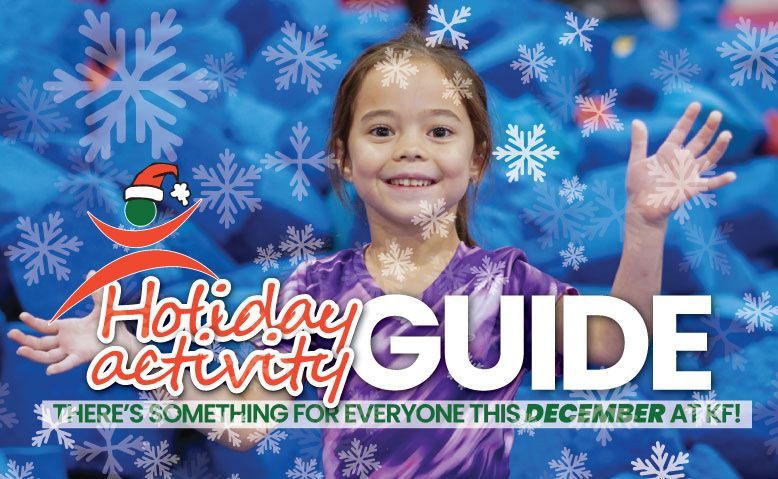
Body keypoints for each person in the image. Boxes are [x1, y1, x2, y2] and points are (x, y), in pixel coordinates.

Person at [7, 25, 736, 478]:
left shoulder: (503, 283)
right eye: (382, 130)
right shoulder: (313, 288)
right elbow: (246, 417)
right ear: (344, 160)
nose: (411, 148)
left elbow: (612, 340)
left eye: (440, 131)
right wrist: (131, 352)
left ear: (479, 160)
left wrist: (643, 227)